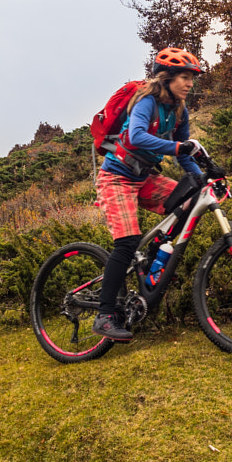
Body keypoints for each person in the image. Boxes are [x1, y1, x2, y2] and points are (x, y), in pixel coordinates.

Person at [92, 49, 208, 342]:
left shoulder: (181, 111)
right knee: (127, 241)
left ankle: (155, 255)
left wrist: (202, 179)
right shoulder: (146, 101)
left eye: (192, 79)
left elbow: (185, 155)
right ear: (166, 77)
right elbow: (135, 137)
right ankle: (105, 315)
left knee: (192, 200)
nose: (189, 84)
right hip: (116, 177)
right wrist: (178, 148)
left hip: (144, 177)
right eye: (185, 77)